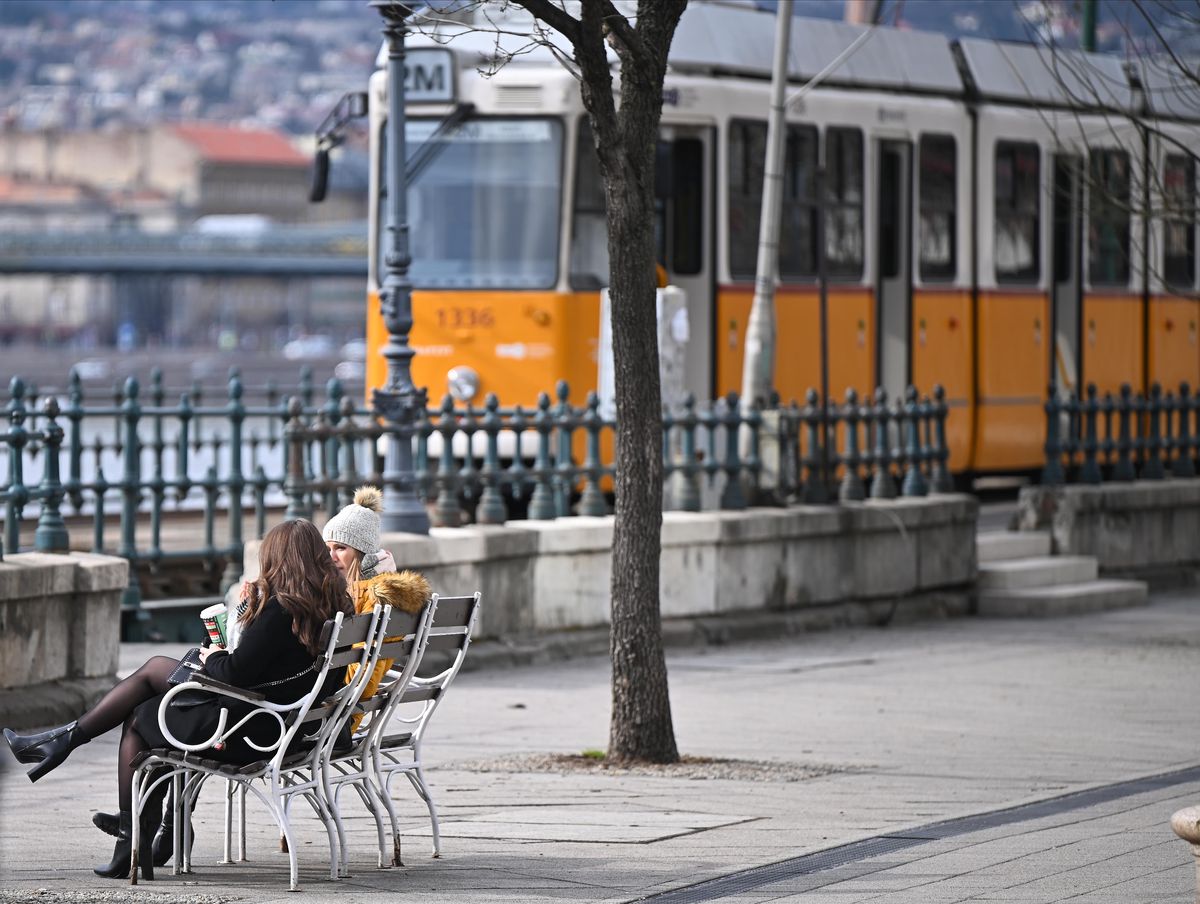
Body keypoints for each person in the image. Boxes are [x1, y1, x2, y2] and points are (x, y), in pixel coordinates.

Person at [1, 519, 353, 881]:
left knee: (141, 717)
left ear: (278, 559)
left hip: (251, 732)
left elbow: (233, 672)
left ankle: (127, 833)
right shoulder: (334, 604)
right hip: (285, 725)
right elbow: (275, 668)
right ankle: (135, 821)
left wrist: (212, 654)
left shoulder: (281, 610)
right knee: (156, 690)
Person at [323, 485, 430, 729]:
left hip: (337, 717)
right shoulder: (364, 590)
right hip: (338, 709)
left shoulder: (374, 596)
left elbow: (363, 675)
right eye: (327, 549)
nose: (331, 557)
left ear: (363, 553)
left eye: (340, 548)